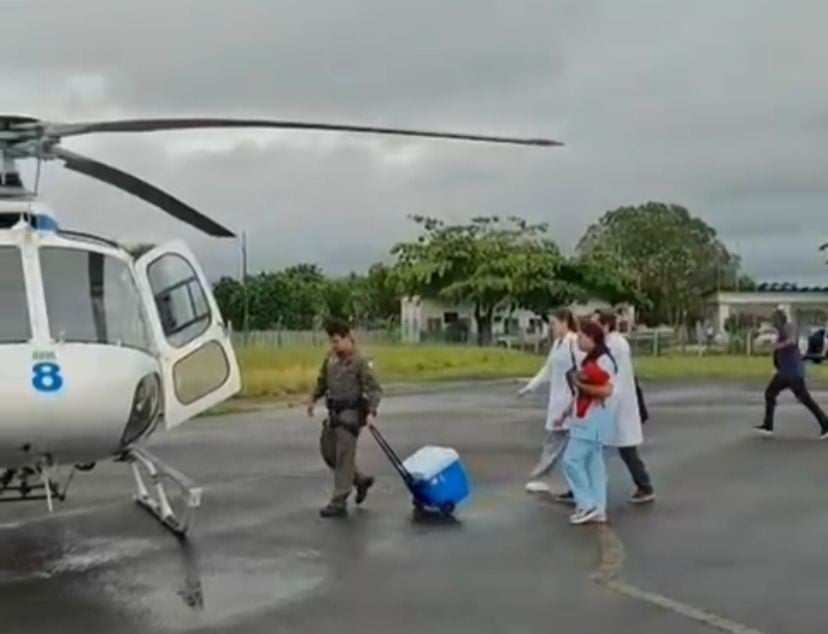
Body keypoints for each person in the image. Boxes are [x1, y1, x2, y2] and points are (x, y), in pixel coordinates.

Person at [307, 320, 383, 518]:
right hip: (333, 413)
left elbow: (373, 389)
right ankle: (359, 480)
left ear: (349, 339)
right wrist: (313, 398)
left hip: (351, 415)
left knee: (343, 456)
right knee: (329, 453)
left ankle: (339, 500)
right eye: (331, 342)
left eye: (337, 341)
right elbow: (322, 381)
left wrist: (371, 412)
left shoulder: (360, 361)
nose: (334, 346)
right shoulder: (330, 359)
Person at [518, 308, 582, 494]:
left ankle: (543, 477)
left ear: (564, 322)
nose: (552, 327)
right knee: (557, 441)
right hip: (558, 399)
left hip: (571, 401)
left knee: (560, 442)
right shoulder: (557, 344)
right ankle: (548, 478)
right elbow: (548, 369)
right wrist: (530, 387)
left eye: (554, 323)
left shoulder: (574, 343)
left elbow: (582, 369)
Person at [594, 310, 655, 504]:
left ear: (605, 325)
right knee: (618, 448)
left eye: (596, 324)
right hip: (616, 402)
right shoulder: (614, 343)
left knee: (621, 448)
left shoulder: (614, 345)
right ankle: (643, 485)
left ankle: (645, 486)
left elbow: (610, 375)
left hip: (617, 403)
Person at [562, 321, 617, 525]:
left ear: (592, 338)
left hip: (592, 419)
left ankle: (586, 504)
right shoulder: (593, 360)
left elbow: (606, 390)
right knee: (593, 463)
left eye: (582, 336)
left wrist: (579, 383)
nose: (578, 339)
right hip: (590, 417)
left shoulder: (602, 361)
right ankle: (598, 507)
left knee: (571, 460)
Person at [754, 309, 828, 439]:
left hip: (791, 373)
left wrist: (777, 345)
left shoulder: (787, 328)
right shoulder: (782, 330)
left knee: (804, 399)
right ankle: (768, 425)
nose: (773, 322)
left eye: (774, 320)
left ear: (779, 319)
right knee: (771, 393)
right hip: (788, 373)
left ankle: (826, 425)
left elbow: (792, 341)